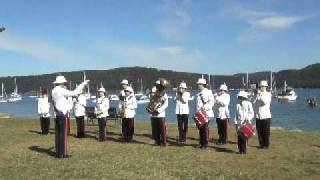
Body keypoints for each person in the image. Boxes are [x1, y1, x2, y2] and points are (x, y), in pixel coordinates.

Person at [51, 75, 89, 158]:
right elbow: (74, 93)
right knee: (63, 135)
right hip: (62, 115)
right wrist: (82, 84)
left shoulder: (53, 90)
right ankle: (63, 153)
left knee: (58, 134)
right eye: (64, 83)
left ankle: (58, 152)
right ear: (61, 83)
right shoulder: (61, 91)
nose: (64, 84)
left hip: (57, 114)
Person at [147, 79, 169, 146]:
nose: (157, 87)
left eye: (158, 85)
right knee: (155, 129)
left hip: (160, 114)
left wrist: (159, 110)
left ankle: (164, 142)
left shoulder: (164, 94)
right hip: (153, 114)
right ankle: (157, 141)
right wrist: (150, 108)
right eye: (156, 85)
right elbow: (150, 101)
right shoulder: (153, 93)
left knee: (162, 129)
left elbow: (166, 104)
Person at [195, 78, 215, 149]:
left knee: (205, 129)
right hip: (200, 114)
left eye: (199, 84)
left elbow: (212, 102)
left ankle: (205, 144)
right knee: (201, 129)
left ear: (202, 85)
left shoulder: (209, 92)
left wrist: (205, 107)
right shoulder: (197, 94)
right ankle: (201, 143)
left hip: (206, 113)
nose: (197, 85)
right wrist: (197, 113)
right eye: (197, 84)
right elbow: (197, 105)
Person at [254, 80, 272, 149]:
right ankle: (261, 144)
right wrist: (255, 94)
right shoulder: (258, 94)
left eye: (262, 86)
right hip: (258, 116)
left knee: (266, 132)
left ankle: (266, 145)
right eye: (260, 86)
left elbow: (265, 102)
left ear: (265, 87)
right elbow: (253, 101)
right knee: (259, 131)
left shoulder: (268, 94)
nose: (261, 88)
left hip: (266, 116)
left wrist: (260, 94)